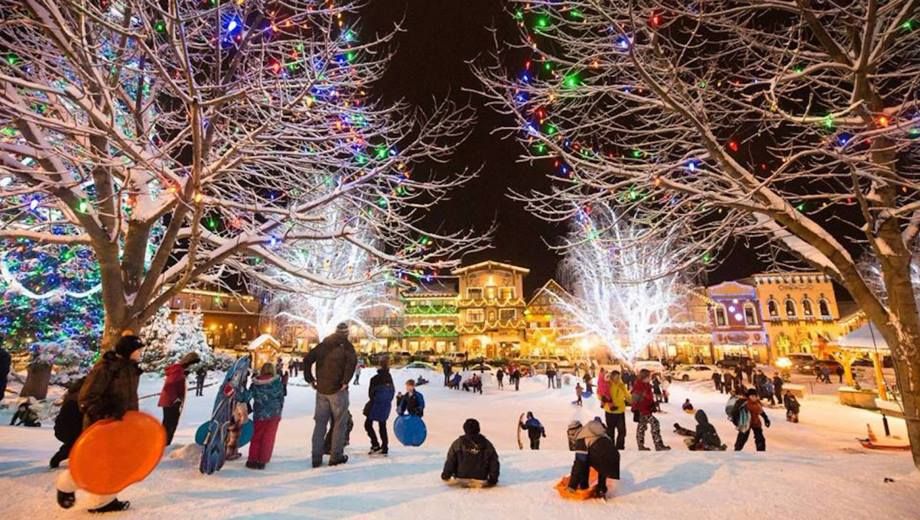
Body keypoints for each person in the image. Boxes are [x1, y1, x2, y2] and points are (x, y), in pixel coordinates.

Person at [57, 335, 144, 513]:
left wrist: (132, 420)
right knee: (93, 463)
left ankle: (104, 500)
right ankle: (66, 486)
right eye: (138, 350)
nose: (140, 353)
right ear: (128, 351)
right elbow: (86, 397)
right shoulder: (106, 369)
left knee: (112, 465)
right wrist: (108, 411)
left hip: (120, 425)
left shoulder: (130, 369)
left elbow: (127, 398)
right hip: (101, 425)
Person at [303, 322, 357, 468]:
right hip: (338, 390)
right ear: (346, 333)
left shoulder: (324, 345)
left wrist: (310, 379)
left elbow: (307, 359)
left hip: (321, 389)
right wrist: (345, 381)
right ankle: (336, 456)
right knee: (340, 423)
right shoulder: (347, 347)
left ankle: (316, 457)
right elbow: (352, 364)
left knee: (320, 424)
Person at [566, 418, 619, 497]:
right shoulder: (595, 433)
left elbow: (579, 464)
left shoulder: (582, 439)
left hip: (603, 459)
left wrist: (572, 485)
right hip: (615, 460)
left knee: (583, 462)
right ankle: (601, 488)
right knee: (601, 458)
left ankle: (583, 486)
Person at [246, 363, 285, 470]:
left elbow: (248, 396)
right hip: (274, 413)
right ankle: (262, 460)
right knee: (268, 438)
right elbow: (281, 397)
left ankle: (252, 459)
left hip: (260, 413)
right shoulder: (277, 383)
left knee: (256, 436)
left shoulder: (255, 383)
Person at [441, 418, 500, 486]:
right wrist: (493, 480)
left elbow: (450, 461)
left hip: (461, 478)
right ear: (478, 429)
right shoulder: (487, 444)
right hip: (481, 479)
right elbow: (494, 462)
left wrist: (446, 475)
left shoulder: (458, 443)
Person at [158, 352, 200, 446]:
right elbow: (170, 386)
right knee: (170, 425)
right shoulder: (177, 371)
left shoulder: (178, 370)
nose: (192, 367)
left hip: (169, 401)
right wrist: (176, 399)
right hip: (171, 402)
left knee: (168, 424)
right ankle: (164, 445)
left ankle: (163, 444)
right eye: (192, 364)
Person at [50, 378, 85, 468]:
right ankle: (57, 459)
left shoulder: (73, 397)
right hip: (67, 430)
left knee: (77, 443)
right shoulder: (74, 401)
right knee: (75, 443)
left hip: (67, 428)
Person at [632, 369, 670, 451]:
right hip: (642, 411)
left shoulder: (647, 385)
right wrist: (635, 411)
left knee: (642, 427)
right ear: (644, 377)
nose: (650, 378)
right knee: (654, 423)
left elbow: (649, 397)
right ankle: (658, 444)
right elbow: (635, 400)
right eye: (649, 376)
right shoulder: (639, 386)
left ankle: (641, 445)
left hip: (646, 409)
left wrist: (652, 405)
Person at [364, 359, 395, 455]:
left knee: (368, 424)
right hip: (386, 405)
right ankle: (385, 447)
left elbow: (371, 394)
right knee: (382, 425)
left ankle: (375, 444)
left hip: (376, 404)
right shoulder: (389, 377)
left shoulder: (374, 379)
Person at [602, 370, 629, 450]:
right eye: (616, 377)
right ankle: (611, 447)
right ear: (612, 377)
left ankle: (620, 447)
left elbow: (627, 395)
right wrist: (603, 399)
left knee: (622, 431)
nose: (617, 379)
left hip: (620, 411)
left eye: (619, 377)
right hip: (610, 411)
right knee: (610, 431)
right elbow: (601, 393)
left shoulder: (621, 385)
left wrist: (633, 401)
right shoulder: (607, 385)